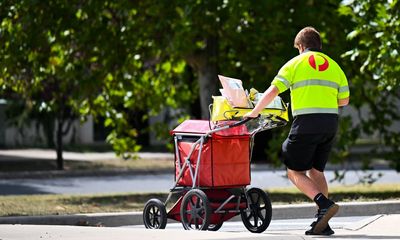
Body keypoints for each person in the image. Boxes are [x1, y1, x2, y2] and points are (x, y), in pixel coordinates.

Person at [244, 26, 350, 235]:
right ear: (318, 46)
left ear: (301, 46)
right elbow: (344, 100)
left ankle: (324, 203)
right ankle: (323, 223)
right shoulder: (334, 66)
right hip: (330, 123)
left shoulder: (294, 63)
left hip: (306, 124)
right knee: (316, 171)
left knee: (294, 171)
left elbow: (273, 90)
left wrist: (254, 112)